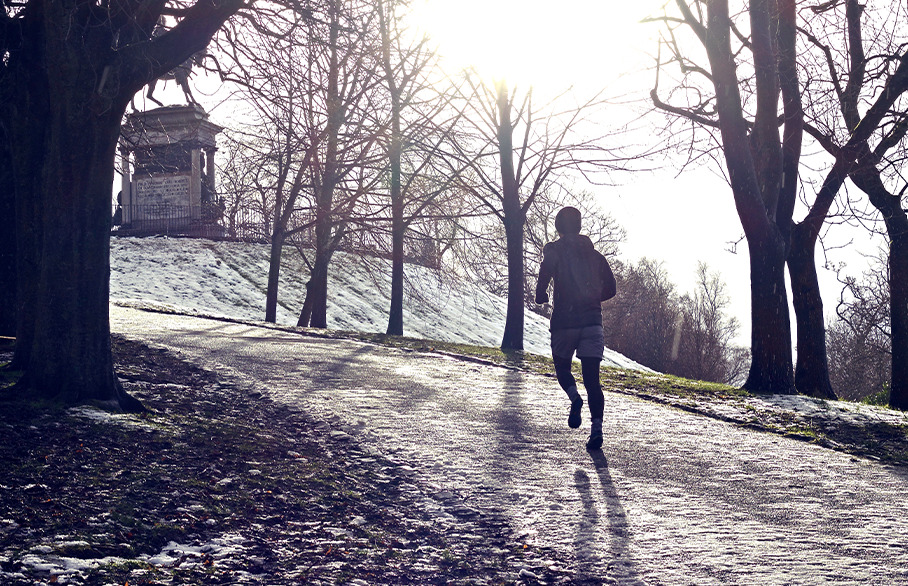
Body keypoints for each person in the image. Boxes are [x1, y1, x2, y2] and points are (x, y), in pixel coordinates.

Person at [535, 206, 616, 450]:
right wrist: (590, 298)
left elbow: (544, 275)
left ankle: (574, 398)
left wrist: (542, 296)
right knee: (593, 379)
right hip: (592, 322)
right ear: (579, 227)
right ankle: (597, 430)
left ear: (559, 228)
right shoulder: (596, 256)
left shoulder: (556, 251)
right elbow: (611, 288)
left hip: (564, 322)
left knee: (562, 366)